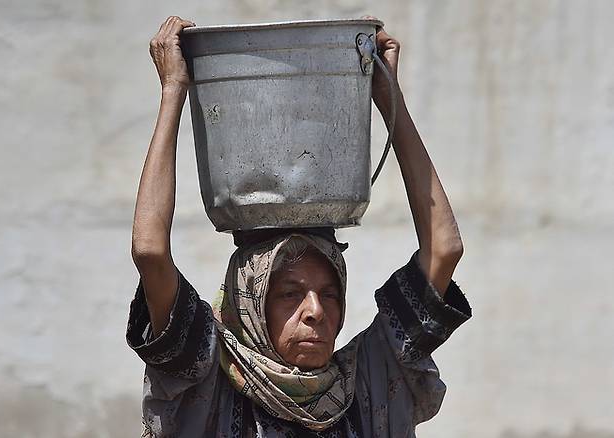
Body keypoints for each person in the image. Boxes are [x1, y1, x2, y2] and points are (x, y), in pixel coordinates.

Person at [127, 15, 472, 438]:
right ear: (250, 306)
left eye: (329, 294)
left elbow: (445, 249)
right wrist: (173, 91)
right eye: (290, 294)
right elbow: (150, 252)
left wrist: (386, 97)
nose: (315, 312)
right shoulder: (205, 378)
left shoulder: (371, 381)